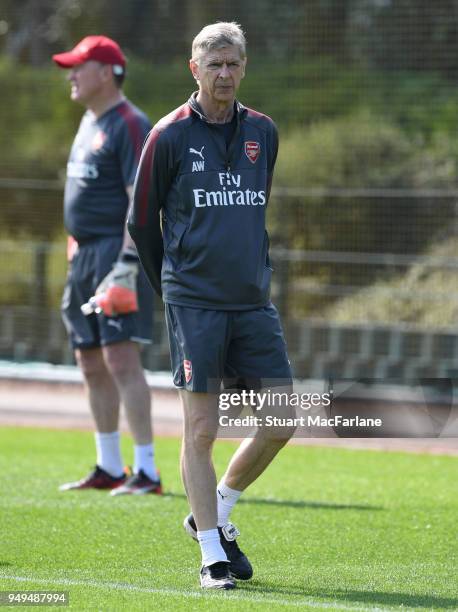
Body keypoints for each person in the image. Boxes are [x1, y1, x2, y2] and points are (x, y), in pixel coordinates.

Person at [128, 22, 293, 589]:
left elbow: (255, 207)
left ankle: (215, 511)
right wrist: (170, 286)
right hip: (194, 303)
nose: (224, 74)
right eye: (213, 65)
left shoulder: (263, 132)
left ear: (244, 67)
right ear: (193, 69)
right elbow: (140, 221)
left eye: (233, 64)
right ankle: (210, 555)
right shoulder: (168, 135)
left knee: (282, 419)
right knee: (201, 430)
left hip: (252, 303)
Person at [53, 35, 161, 496]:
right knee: (89, 359)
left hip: (117, 257)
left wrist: (126, 263)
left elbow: (137, 200)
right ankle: (109, 465)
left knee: (121, 358)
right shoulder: (87, 121)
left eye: (80, 66)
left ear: (107, 72)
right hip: (84, 255)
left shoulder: (131, 123)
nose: (71, 75)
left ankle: (148, 471)